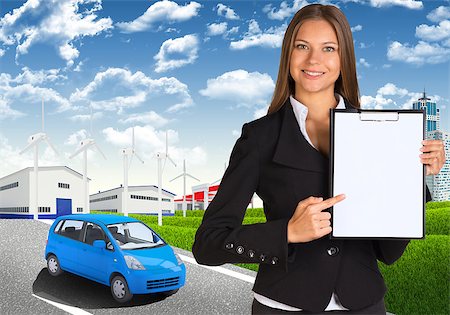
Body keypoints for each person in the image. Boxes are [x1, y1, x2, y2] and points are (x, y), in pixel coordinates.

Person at [192, 4, 446, 315]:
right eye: (302, 46)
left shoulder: (382, 134)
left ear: (344, 59)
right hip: (283, 306)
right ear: (289, 54)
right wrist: (286, 232)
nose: (314, 60)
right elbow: (207, 244)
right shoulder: (259, 138)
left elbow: (388, 251)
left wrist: (417, 176)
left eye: (328, 48)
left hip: (364, 305)